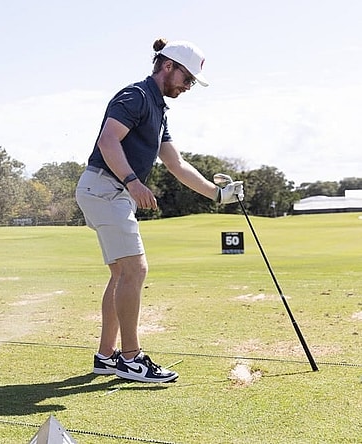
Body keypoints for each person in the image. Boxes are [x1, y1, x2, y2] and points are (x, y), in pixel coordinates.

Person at [75, 39, 244, 382]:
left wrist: (217, 195)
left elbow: (176, 164)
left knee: (122, 274)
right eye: (187, 78)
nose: (188, 86)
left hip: (106, 189)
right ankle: (132, 359)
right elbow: (107, 142)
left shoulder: (159, 109)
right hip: (107, 187)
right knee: (136, 270)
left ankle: (107, 356)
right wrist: (133, 182)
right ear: (168, 66)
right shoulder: (135, 96)